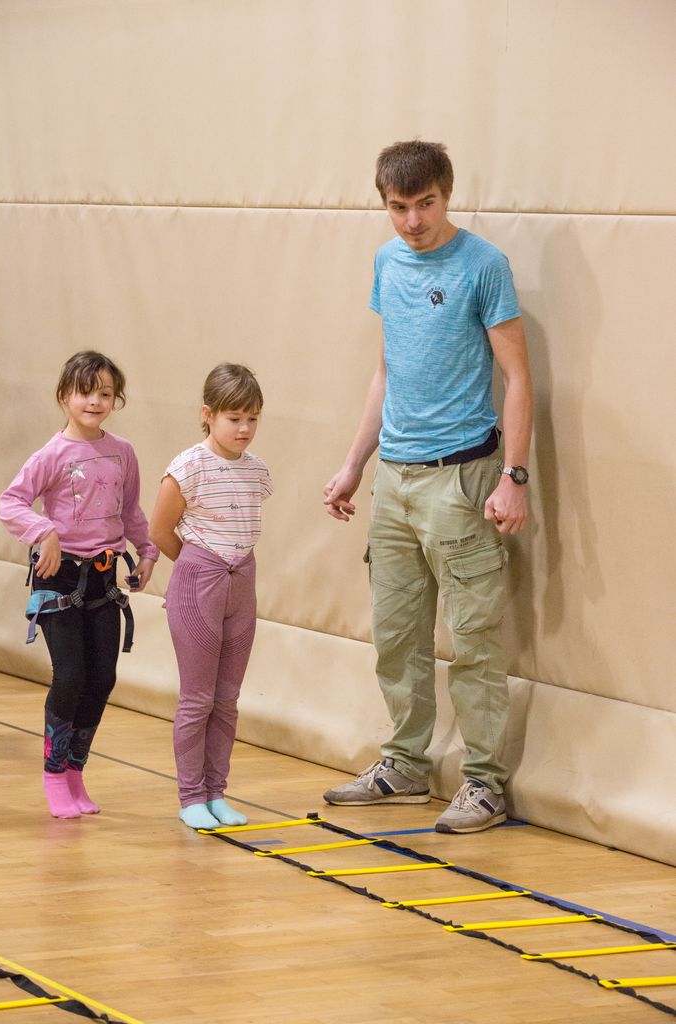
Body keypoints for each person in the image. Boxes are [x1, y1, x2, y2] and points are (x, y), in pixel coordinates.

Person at [322, 140, 533, 833]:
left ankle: (484, 784)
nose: (412, 220)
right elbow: (387, 370)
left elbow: (518, 378)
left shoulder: (483, 265)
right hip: (395, 479)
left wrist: (514, 477)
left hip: (462, 480)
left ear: (447, 195)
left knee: (473, 639)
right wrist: (355, 463)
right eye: (398, 207)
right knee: (396, 634)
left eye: (425, 204)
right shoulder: (387, 262)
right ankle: (405, 765)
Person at [0, 351, 158, 819]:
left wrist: (147, 551)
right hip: (60, 577)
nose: (95, 402)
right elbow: (11, 503)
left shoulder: (122, 452)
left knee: (102, 678)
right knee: (70, 675)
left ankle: (75, 771)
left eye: (105, 394)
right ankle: (53, 775)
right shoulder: (51, 455)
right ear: (65, 395)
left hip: (104, 579)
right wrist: (43, 532)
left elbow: (130, 511)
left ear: (116, 399)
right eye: (85, 392)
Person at [149, 363, 272, 830]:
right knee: (197, 698)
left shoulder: (257, 471)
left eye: (252, 419)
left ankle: (217, 792)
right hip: (199, 580)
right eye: (234, 418)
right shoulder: (188, 468)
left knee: (227, 698)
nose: (244, 429)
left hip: (243, 582)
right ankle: (191, 797)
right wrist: (196, 568)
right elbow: (160, 530)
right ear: (208, 414)